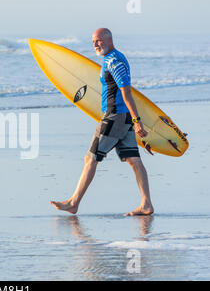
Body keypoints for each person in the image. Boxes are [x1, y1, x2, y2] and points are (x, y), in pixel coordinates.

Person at [50, 28, 154, 216]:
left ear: (109, 39)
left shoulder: (114, 61)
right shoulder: (111, 59)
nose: (96, 45)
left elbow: (127, 92)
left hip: (114, 117)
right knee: (134, 160)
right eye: (93, 42)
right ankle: (146, 204)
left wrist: (138, 121)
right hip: (122, 117)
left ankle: (74, 202)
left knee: (90, 158)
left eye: (98, 40)